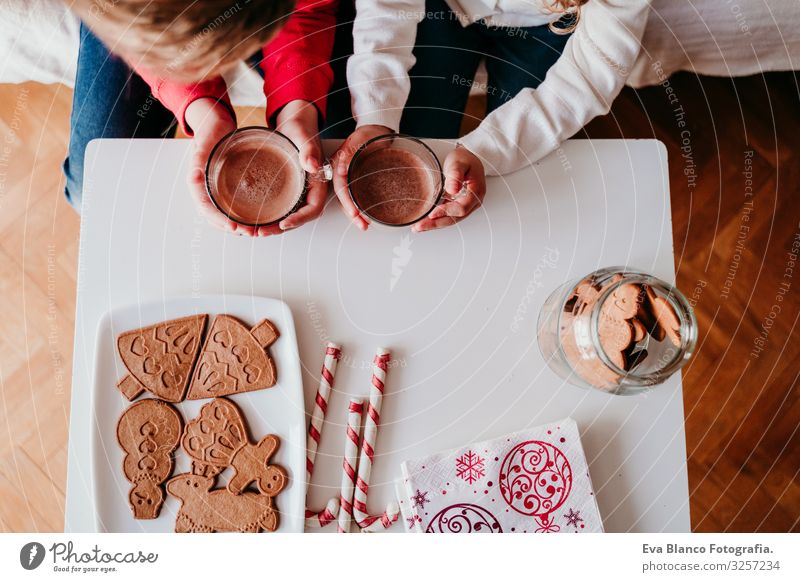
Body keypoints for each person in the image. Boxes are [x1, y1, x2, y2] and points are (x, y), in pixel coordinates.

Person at [333, 0, 651, 232]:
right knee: (412, 148)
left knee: (515, 183)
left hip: (550, 26)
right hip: (440, 8)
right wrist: (376, 114)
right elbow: (386, 5)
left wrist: (486, 151)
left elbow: (589, 77)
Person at [65, 0, 339, 236]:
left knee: (339, 174)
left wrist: (297, 112)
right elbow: (138, 38)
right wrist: (204, 112)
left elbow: (306, 9)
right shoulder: (124, 16)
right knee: (93, 191)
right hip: (135, 27)